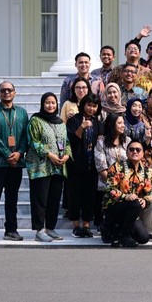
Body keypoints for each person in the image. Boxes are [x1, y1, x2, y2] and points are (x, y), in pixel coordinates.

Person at [0, 81, 29, 242]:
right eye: (3, 90)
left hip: (16, 163)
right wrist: (7, 154)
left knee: (12, 198)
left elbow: (26, 135)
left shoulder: (22, 113)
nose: (6, 93)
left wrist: (20, 152)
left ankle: (11, 230)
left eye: (10, 90)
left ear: (15, 93)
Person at [26, 92, 72, 242]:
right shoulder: (36, 120)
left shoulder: (60, 123)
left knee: (54, 199)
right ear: (42, 104)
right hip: (41, 167)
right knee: (40, 199)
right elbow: (34, 142)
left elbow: (66, 143)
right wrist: (50, 155)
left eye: (53, 103)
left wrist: (66, 156)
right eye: (47, 103)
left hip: (58, 167)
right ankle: (39, 230)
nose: (50, 105)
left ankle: (50, 228)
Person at [102, 140, 152, 247]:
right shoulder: (117, 167)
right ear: (127, 152)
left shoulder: (146, 171)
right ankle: (123, 235)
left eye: (138, 150)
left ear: (143, 153)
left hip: (133, 209)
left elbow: (150, 193)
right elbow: (109, 188)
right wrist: (126, 196)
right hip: (114, 206)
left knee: (144, 238)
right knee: (134, 203)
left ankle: (119, 231)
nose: (135, 152)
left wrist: (144, 200)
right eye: (131, 149)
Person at [66, 94, 102, 238]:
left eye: (94, 106)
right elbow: (71, 141)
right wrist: (82, 126)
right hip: (76, 165)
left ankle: (86, 225)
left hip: (92, 166)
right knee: (74, 195)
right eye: (89, 105)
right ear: (83, 105)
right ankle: (76, 226)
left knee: (89, 196)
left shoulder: (98, 123)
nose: (91, 109)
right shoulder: (74, 120)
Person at [95, 113, 131, 232]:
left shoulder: (127, 141)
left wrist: (124, 184)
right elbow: (101, 168)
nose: (123, 126)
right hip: (107, 185)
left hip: (126, 186)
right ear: (111, 125)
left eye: (123, 123)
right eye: (119, 123)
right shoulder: (101, 142)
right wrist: (115, 184)